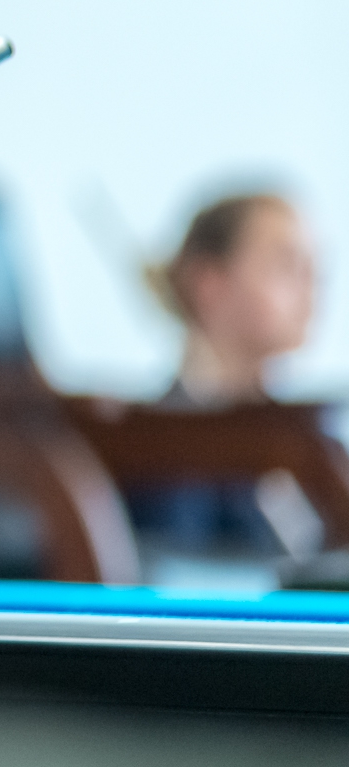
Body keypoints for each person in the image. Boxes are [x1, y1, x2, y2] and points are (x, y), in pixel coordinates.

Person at [126, 192, 320, 556]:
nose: (310, 287)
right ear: (210, 283)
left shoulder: (302, 441)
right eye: (285, 265)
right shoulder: (162, 449)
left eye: (312, 268)